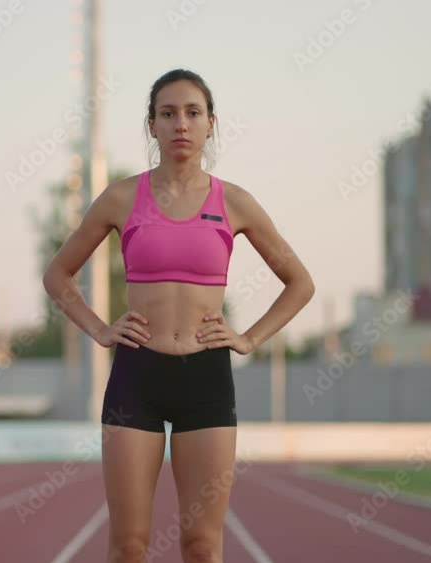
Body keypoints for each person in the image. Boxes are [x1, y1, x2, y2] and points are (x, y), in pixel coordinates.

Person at [43, 68, 315, 563]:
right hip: (135, 378)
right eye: (167, 114)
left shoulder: (235, 202)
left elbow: (301, 283)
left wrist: (249, 339)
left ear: (212, 123)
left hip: (206, 379)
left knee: (201, 545)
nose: (180, 124)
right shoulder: (121, 197)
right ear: (151, 126)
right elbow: (58, 275)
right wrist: (101, 330)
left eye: (192, 113)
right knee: (128, 546)